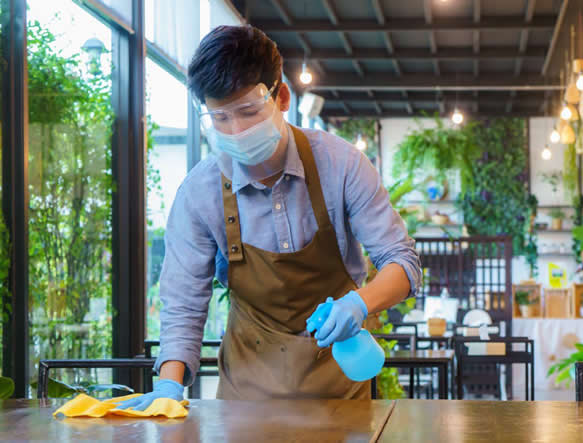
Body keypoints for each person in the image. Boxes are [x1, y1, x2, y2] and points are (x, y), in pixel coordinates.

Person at [119, 25, 421, 409]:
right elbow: (183, 303)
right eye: (220, 118)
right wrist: (168, 388)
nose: (237, 130)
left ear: (281, 97)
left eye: (248, 112)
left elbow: (402, 261)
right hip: (245, 397)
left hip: (339, 392)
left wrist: (359, 304)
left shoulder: (341, 164)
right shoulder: (199, 193)